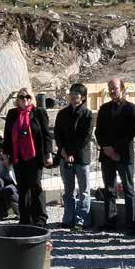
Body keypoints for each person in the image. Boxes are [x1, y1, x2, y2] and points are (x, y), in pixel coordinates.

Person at [2, 87, 54, 226]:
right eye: (21, 97)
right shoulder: (12, 114)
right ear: (17, 100)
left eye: (27, 97)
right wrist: (6, 155)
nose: (25, 99)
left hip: (35, 156)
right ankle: (24, 219)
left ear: (31, 99)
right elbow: (7, 135)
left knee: (36, 186)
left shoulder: (39, 112)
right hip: (18, 156)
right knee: (23, 187)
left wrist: (48, 154)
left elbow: (46, 135)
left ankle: (40, 219)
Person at [95, 78, 135, 233]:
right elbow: (98, 131)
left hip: (123, 155)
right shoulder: (104, 108)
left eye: (114, 88)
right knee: (109, 189)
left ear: (122, 88)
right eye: (110, 88)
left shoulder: (130, 108)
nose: (112, 91)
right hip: (107, 154)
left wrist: (115, 151)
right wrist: (106, 148)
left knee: (128, 189)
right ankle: (110, 221)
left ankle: (131, 224)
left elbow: (130, 133)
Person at [54, 83, 94, 232]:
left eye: (76, 93)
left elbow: (85, 138)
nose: (73, 96)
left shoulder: (88, 114)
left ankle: (81, 220)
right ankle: (68, 218)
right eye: (71, 92)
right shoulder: (62, 113)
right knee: (68, 190)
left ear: (82, 97)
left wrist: (71, 153)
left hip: (81, 157)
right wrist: (64, 152)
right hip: (65, 156)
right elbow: (57, 134)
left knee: (83, 190)